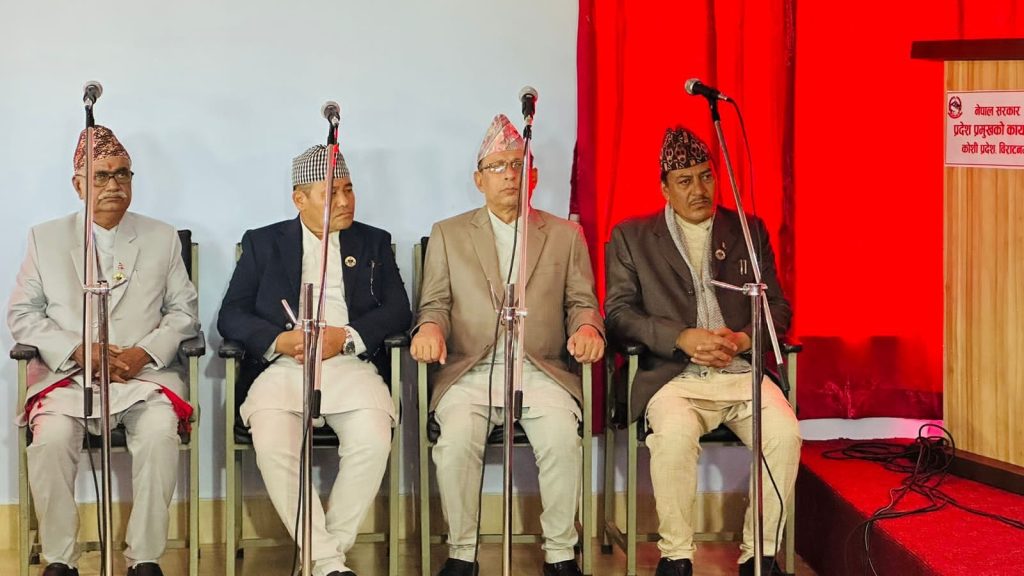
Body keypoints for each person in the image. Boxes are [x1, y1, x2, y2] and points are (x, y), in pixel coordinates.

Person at [411, 114, 605, 576]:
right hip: (471, 369)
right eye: (497, 167)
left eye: (518, 165)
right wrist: (429, 327)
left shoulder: (565, 235)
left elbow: (582, 302)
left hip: (541, 368)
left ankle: (560, 553)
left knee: (562, 440)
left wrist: (588, 329)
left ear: (533, 175)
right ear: (478, 179)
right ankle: (462, 554)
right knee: (456, 441)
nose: (509, 175)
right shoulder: (449, 233)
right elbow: (434, 303)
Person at [604, 125, 800, 576]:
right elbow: (618, 314)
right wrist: (680, 336)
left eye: (706, 176)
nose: (699, 189)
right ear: (665, 188)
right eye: (685, 181)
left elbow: (777, 307)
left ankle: (760, 555)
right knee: (673, 438)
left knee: (785, 434)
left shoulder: (747, 230)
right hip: (673, 377)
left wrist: (743, 339)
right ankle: (676, 557)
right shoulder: (633, 236)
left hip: (740, 372)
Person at [7, 125, 200, 576]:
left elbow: (184, 312)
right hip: (69, 379)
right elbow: (22, 314)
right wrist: (77, 350)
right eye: (101, 176)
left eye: (123, 174)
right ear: (78, 185)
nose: (114, 185)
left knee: (160, 434)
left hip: (143, 378)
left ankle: (145, 558)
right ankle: (60, 558)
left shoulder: (161, 237)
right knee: (50, 440)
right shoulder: (46, 238)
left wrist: (144, 353)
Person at [218, 144, 412, 576]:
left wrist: (347, 336)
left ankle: (322, 560)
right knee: (273, 444)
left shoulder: (374, 241)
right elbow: (231, 314)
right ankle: (328, 563)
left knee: (373, 440)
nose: (344, 201)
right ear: (299, 199)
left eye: (349, 189)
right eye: (331, 193)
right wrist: (278, 340)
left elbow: (399, 310)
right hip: (284, 367)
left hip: (349, 364)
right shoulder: (263, 243)